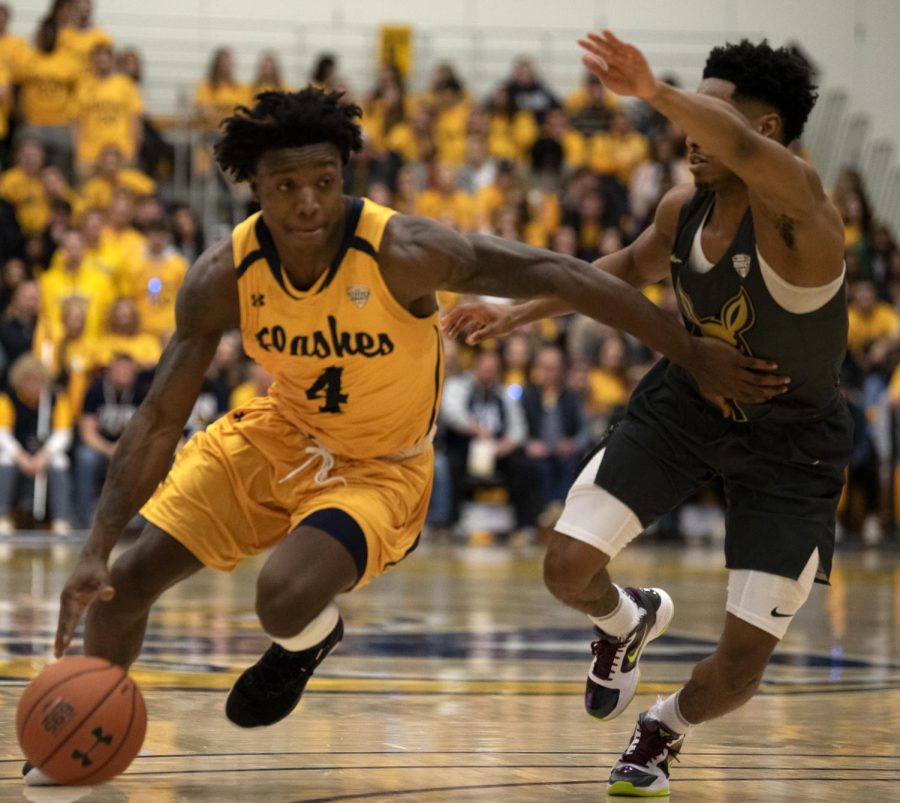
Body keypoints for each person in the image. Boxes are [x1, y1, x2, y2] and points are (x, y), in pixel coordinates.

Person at [30, 87, 784, 787]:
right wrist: (95, 542)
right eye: (286, 185)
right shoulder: (220, 276)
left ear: (344, 174)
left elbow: (563, 271)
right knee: (119, 588)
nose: (308, 202)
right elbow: (160, 418)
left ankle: (303, 640)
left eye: (323, 180)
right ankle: (83, 744)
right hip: (274, 435)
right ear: (254, 187)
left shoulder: (403, 249)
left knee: (282, 597)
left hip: (380, 467)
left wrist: (689, 351)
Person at [444, 32, 848, 797]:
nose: (688, 133)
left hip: (794, 442)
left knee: (739, 669)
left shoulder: (801, 210)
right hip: (688, 405)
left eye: (707, 114)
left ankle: (666, 724)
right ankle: (627, 620)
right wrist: (515, 314)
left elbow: (737, 144)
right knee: (565, 565)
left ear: (763, 133)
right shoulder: (681, 207)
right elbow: (619, 271)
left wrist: (654, 89)